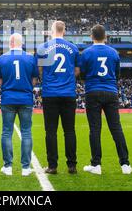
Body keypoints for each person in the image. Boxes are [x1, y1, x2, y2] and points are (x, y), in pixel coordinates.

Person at [78, 24, 132, 175]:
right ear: (105, 37)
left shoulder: (86, 53)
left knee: (95, 129)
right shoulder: (114, 53)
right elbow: (117, 74)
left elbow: (82, 74)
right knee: (116, 128)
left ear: (91, 36)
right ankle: (125, 164)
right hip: (111, 92)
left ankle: (96, 164)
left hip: (93, 92)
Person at [36, 21, 79, 174]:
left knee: (51, 132)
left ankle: (52, 166)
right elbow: (77, 70)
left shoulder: (43, 48)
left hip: (50, 93)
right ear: (64, 31)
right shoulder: (73, 48)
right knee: (69, 131)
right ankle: (72, 165)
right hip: (68, 93)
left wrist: (49, 78)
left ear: (51, 31)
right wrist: (67, 78)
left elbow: (40, 69)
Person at [0, 33, 39, 176]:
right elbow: (34, 79)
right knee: (26, 132)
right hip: (25, 98)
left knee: (6, 132)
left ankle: (7, 166)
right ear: (22, 43)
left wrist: (8, 88)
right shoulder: (30, 58)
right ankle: (25, 168)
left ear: (11, 43)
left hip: (8, 98)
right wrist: (26, 87)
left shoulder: (2, 58)